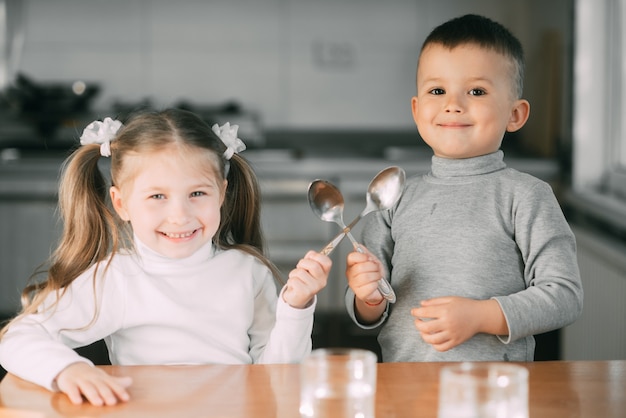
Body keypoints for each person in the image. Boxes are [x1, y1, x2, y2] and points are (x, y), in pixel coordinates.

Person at [0, 108, 332, 406]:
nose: (179, 215)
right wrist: (67, 370)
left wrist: (296, 308)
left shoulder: (248, 271)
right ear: (122, 204)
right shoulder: (115, 277)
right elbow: (18, 338)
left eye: (197, 194)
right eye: (157, 196)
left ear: (222, 194)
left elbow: (278, 377)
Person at [344, 14, 583, 362]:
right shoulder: (393, 198)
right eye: (437, 90)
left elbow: (564, 296)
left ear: (515, 114)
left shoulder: (527, 196)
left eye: (477, 91)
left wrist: (481, 316)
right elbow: (369, 313)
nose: (452, 104)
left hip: (497, 393)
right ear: (416, 109)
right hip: (406, 392)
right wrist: (367, 295)